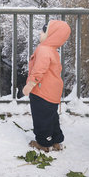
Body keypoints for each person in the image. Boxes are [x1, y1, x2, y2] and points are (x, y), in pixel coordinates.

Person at [23, 20, 71, 152]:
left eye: (44, 31)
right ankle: (56, 140)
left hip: (42, 91)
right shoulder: (53, 50)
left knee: (41, 118)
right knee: (51, 116)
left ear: (51, 34)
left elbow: (39, 70)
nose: (40, 32)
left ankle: (44, 143)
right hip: (53, 92)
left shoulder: (43, 49)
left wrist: (30, 85)